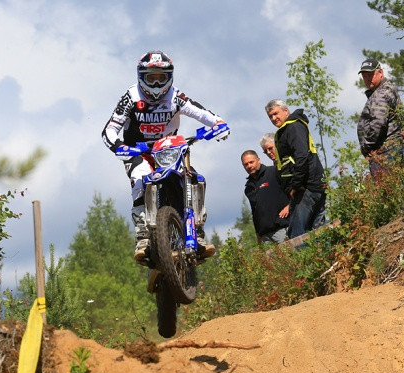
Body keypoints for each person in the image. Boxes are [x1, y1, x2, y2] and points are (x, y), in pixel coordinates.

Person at [102, 50, 228, 261]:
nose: (156, 83)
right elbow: (109, 129)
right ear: (142, 76)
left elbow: (203, 113)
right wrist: (118, 147)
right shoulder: (131, 97)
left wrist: (219, 124)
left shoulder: (176, 97)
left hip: (168, 149)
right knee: (139, 178)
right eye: (151, 77)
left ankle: (197, 230)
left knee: (195, 180)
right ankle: (143, 235)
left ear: (169, 76)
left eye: (161, 77)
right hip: (138, 151)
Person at [264, 99, 326, 239]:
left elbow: (302, 156)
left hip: (306, 188)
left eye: (276, 113)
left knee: (297, 237)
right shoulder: (291, 128)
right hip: (312, 185)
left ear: (286, 111)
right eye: (270, 116)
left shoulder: (293, 127)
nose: (273, 118)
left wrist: (296, 185)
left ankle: (306, 255)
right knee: (319, 233)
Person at [357, 58, 404, 178]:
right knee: (393, 185)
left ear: (380, 72)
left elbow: (377, 124)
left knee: (385, 187)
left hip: (385, 152)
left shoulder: (381, 93)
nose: (368, 79)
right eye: (365, 76)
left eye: (370, 75)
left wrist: (366, 147)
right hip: (390, 149)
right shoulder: (384, 90)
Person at [241, 150, 290, 244]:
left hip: (282, 228)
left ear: (258, 160)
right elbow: (255, 213)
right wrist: (258, 234)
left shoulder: (274, 172)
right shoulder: (248, 188)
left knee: (291, 253)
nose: (249, 166)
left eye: (251, 162)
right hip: (264, 236)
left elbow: (292, 190)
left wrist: (289, 206)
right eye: (246, 164)